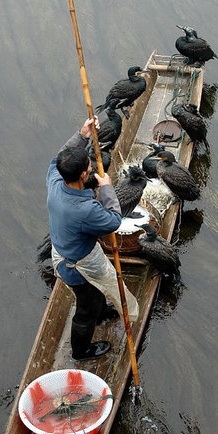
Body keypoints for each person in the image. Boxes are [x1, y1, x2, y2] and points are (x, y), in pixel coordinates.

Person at [47, 118, 140, 361]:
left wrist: (82, 134)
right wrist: (107, 188)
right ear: (83, 175)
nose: (91, 168)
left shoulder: (55, 180)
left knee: (95, 294)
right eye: (89, 166)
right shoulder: (83, 209)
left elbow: (60, 156)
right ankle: (81, 351)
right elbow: (113, 221)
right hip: (77, 266)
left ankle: (100, 312)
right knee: (85, 309)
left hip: (63, 249)